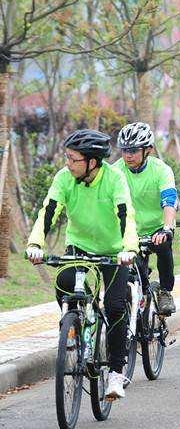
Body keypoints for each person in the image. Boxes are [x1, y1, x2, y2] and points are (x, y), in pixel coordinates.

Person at [26, 129, 138, 400]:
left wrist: (129, 249)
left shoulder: (114, 178)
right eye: (67, 157)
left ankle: (116, 372)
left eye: (73, 159)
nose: (68, 163)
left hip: (114, 252)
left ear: (92, 162)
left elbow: (126, 215)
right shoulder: (64, 178)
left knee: (115, 305)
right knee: (65, 282)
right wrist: (35, 243)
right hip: (79, 246)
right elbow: (48, 211)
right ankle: (77, 325)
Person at [113, 122, 178, 315]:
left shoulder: (161, 170)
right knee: (131, 271)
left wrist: (167, 228)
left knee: (163, 246)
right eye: (124, 150)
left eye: (133, 150)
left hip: (158, 228)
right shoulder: (115, 171)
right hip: (129, 230)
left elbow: (169, 201)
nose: (128, 155)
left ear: (147, 150)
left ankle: (165, 291)